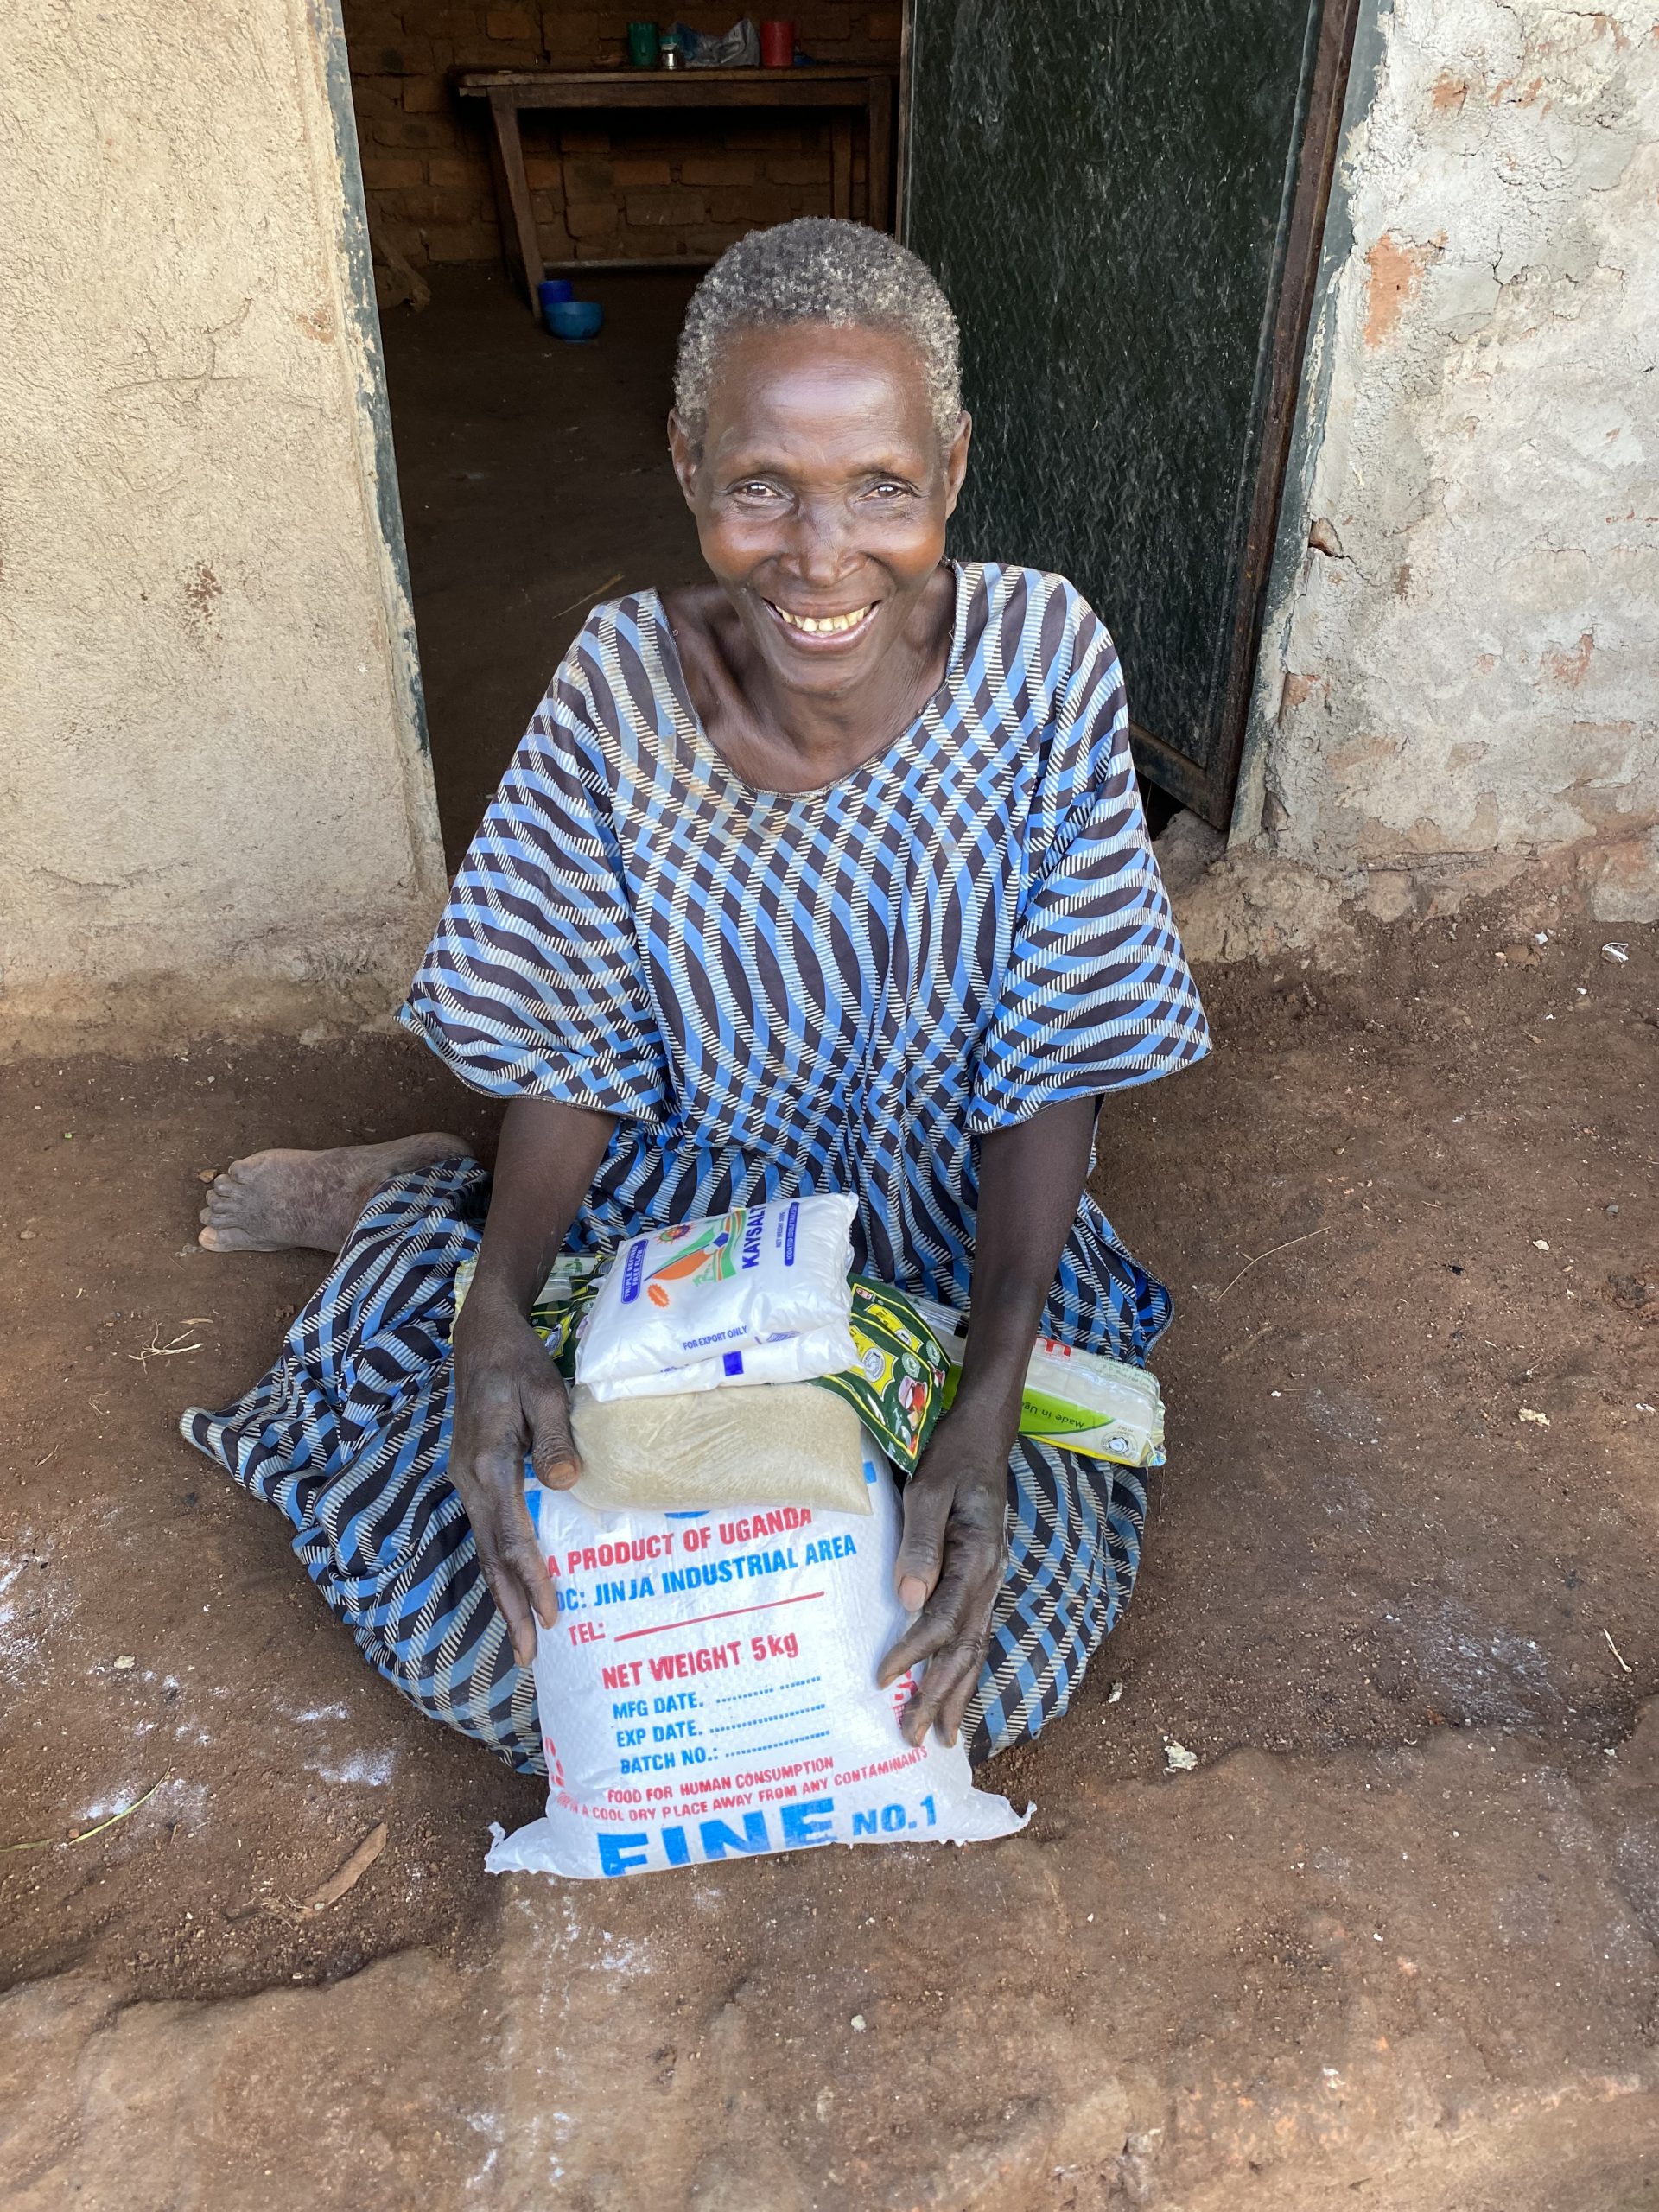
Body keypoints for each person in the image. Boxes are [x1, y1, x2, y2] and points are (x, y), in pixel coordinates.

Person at [185, 219, 1211, 1772]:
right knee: (524, 1649)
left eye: (882, 485)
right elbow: (571, 1044)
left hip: (946, 1235)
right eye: (762, 488)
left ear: (950, 467)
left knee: (939, 1674)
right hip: (664, 1230)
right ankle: (432, 1220)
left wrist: (988, 1399)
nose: (821, 553)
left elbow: (1049, 1065)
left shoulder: (1046, 661)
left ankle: (443, 1214)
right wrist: (494, 1316)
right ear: (686, 466)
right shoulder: (617, 688)